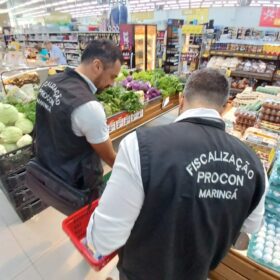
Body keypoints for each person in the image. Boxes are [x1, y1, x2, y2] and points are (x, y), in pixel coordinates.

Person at [87, 68, 267, 280]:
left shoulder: (139, 145)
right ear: (226, 106)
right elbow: (250, 228)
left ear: (182, 99)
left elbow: (103, 239)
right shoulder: (254, 164)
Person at [33, 40, 123, 214]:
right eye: (112, 76)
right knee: (89, 221)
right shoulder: (89, 107)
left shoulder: (51, 83)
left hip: (50, 173)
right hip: (76, 187)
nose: (112, 83)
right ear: (97, 65)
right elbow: (110, 157)